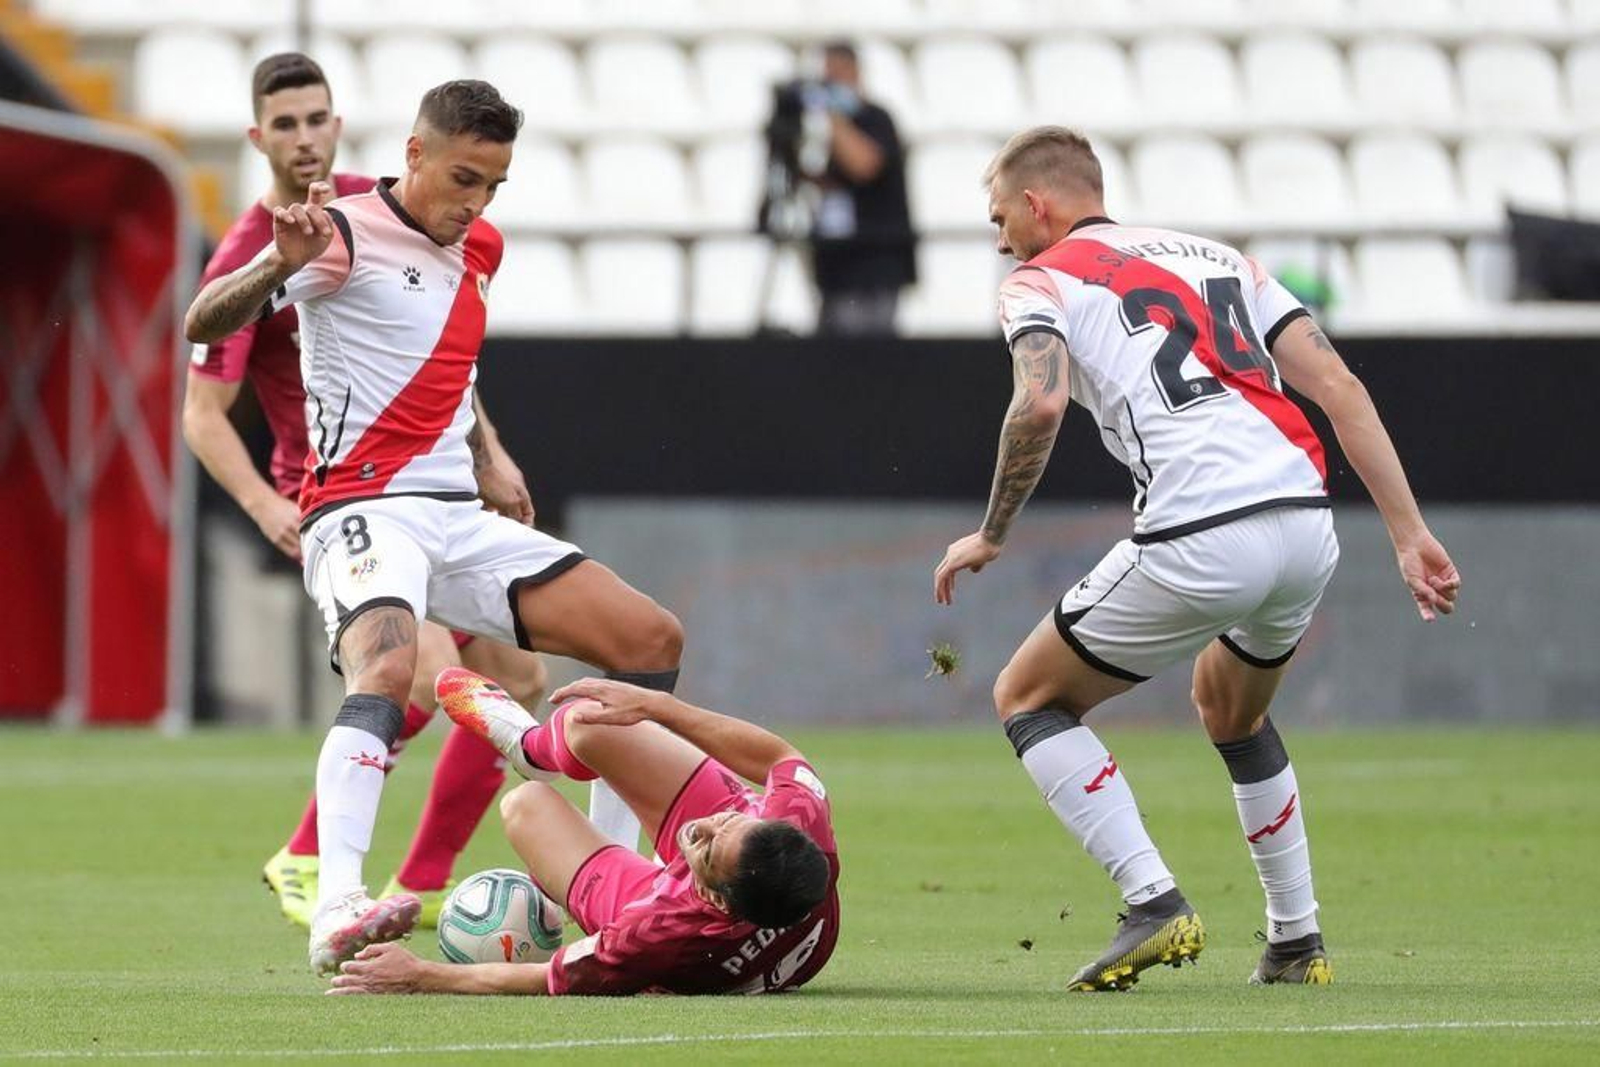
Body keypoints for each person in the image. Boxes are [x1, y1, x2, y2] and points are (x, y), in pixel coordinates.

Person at [933, 126, 1461, 991]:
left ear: (1039, 204)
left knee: (1026, 696)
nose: (1000, 241)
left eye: (1001, 218)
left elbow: (1039, 403)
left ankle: (1153, 901)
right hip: (1304, 526)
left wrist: (991, 533)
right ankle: (1295, 939)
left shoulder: (1038, 279)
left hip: (1203, 530)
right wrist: (1408, 533)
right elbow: (1340, 389)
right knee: (1232, 710)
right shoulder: (1224, 259)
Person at [184, 78, 685, 978]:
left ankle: (620, 887)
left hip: (459, 516)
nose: (476, 203)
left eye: (493, 185)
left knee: (650, 639)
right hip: (358, 510)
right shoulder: (334, 234)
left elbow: (442, 359)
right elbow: (201, 320)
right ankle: (336, 901)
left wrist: (488, 452)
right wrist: (271, 265)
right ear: (414, 155)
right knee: (386, 667)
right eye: (463, 179)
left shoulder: (479, 244)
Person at [183, 52, 557, 932]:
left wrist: (488, 452)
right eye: (285, 124)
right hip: (342, 500)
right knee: (419, 675)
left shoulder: (386, 205)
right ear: (258, 138)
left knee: (522, 674)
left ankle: (417, 880)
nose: (305, 137)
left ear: (342, 127)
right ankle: (313, 856)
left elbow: (440, 351)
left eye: (317, 119)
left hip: (429, 491)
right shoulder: (257, 249)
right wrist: (265, 506)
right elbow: (202, 413)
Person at [327, 668, 838, 997]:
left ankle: (594, 863)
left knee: (524, 807)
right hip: (785, 934)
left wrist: (422, 976)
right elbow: (781, 758)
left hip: (675, 919)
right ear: (775, 821)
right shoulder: (800, 821)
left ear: (715, 899)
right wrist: (658, 706)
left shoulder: (659, 932)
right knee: (594, 722)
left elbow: (548, 976)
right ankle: (533, 748)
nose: (700, 826)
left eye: (702, 850)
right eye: (728, 820)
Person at [805, 40, 916, 336]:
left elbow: (865, 165)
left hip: (873, 264)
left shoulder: (875, 119)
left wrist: (834, 117)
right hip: (836, 264)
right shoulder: (824, 131)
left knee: (866, 359)